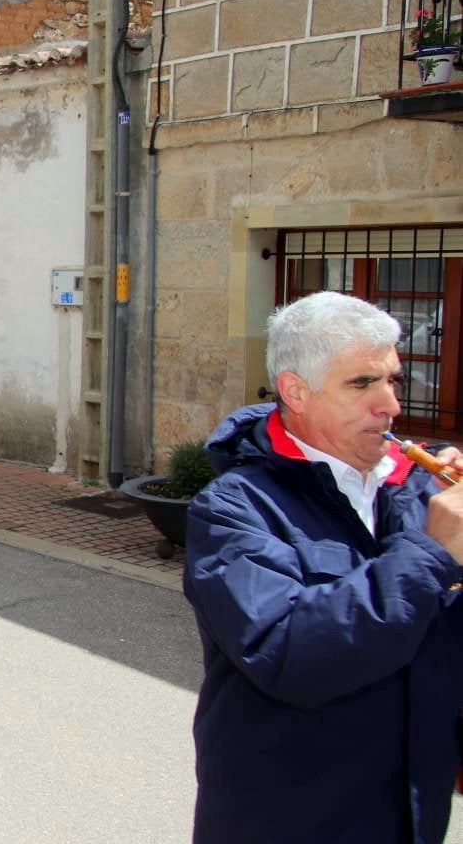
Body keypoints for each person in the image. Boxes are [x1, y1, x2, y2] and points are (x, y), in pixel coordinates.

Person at [184, 291, 463, 843]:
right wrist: (432, 552)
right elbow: (288, 651)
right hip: (291, 820)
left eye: (393, 381)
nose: (389, 405)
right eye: (362, 384)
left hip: (411, 815)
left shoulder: (415, 491)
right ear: (296, 391)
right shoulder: (233, 508)